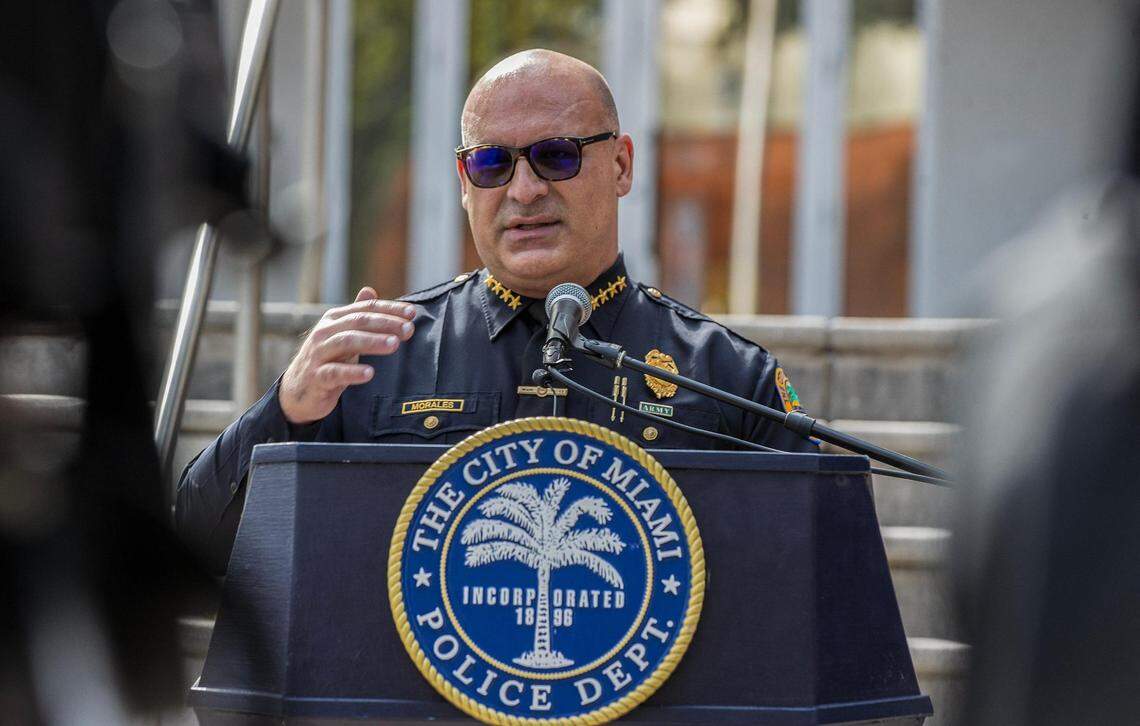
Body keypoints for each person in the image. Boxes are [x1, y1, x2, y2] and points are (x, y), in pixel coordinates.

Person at [176, 49, 816, 572]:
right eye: (491, 163)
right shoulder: (378, 357)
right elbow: (197, 540)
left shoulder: (724, 375)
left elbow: (818, 571)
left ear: (621, 165)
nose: (525, 190)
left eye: (557, 155)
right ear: (464, 183)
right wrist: (286, 410)